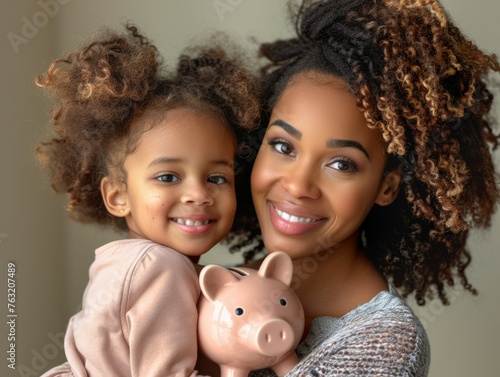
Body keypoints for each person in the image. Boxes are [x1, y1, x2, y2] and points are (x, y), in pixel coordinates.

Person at [222, 0, 500, 375]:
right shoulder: (202, 283)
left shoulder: (385, 345)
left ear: (387, 187)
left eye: (341, 164)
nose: (298, 185)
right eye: (284, 147)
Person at [35, 24, 259, 376]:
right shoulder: (158, 267)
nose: (198, 194)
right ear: (117, 196)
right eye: (168, 177)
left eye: (217, 178)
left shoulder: (138, 263)